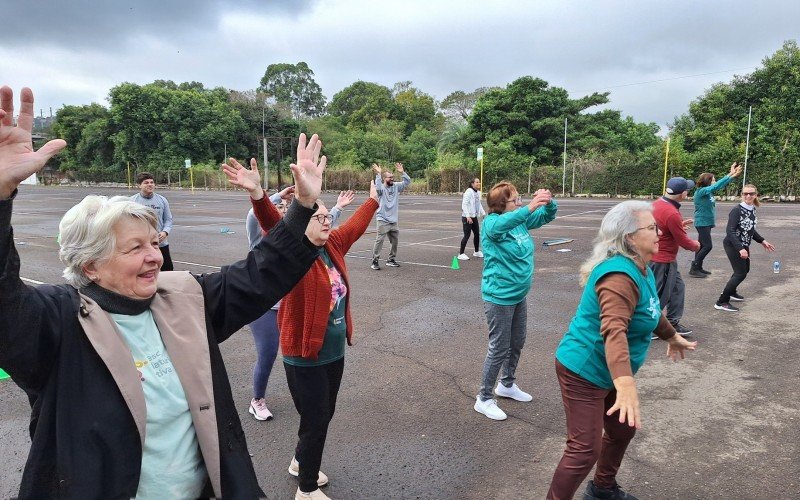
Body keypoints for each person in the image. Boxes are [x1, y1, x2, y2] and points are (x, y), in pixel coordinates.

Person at [0, 87, 326, 498]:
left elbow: (260, 273)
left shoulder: (184, 297)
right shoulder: (58, 323)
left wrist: (302, 206)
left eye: (154, 243)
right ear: (90, 265)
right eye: (135, 248)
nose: (154, 257)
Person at [547, 201, 697, 500]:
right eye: (651, 228)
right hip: (584, 369)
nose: (658, 232)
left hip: (609, 370)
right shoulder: (618, 276)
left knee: (622, 430)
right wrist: (625, 383)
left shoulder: (641, 268)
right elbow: (613, 330)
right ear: (630, 237)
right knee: (584, 449)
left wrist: (672, 337)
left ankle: (602, 489)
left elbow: (650, 312)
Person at [269, 180, 379, 500]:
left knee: (321, 415)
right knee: (316, 419)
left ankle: (300, 461)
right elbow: (267, 224)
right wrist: (260, 197)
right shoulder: (291, 256)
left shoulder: (332, 246)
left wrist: (372, 201)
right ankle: (306, 489)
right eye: (320, 218)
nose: (328, 221)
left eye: (328, 217)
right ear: (301, 225)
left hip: (333, 352)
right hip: (304, 355)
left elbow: (355, 227)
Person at [234, 164, 355, 422]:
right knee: (267, 352)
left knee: (298, 356)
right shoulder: (261, 231)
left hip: (288, 305)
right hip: (266, 306)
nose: (280, 211)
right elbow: (257, 214)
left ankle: (304, 397)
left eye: (284, 209)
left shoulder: (298, 237)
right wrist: (270, 195)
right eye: (277, 208)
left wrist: (336, 209)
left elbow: (320, 220)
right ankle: (257, 400)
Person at [473, 182, 557, 421]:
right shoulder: (492, 224)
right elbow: (505, 222)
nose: (520, 203)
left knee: (517, 341)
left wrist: (548, 203)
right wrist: (529, 207)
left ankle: (507, 384)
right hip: (499, 297)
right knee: (499, 347)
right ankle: (485, 398)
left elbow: (543, 217)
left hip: (519, 294)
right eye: (515, 200)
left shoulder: (519, 219)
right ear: (501, 205)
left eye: (520, 199)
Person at [649, 177, 701, 336]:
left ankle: (672, 322)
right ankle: (650, 328)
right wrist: (696, 245)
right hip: (662, 260)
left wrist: (680, 224)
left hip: (659, 257)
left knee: (678, 289)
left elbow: (664, 225)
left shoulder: (658, 203)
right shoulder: (672, 213)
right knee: (658, 295)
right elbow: (683, 241)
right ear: (683, 194)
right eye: (688, 190)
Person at [714, 184, 776, 312]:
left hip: (743, 244)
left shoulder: (752, 208)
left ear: (756, 195)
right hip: (734, 244)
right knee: (740, 273)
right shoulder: (737, 210)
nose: (748, 196)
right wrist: (740, 248)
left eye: (751, 194)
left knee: (744, 270)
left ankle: (731, 292)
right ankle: (721, 302)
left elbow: (750, 229)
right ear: (741, 195)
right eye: (745, 194)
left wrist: (762, 241)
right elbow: (730, 230)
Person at [689, 162, 743, 277]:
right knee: (708, 246)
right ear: (707, 180)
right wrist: (730, 173)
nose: (715, 181)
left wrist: (732, 176)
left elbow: (719, 185)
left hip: (706, 223)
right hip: (702, 223)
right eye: (713, 179)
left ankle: (698, 267)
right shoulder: (701, 191)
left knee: (702, 246)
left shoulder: (707, 192)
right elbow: (716, 186)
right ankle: (694, 268)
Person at [131, 171, 175, 271]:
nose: (150, 184)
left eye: (152, 182)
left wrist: (165, 232)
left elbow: (168, 219)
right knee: (144, 269)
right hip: (141, 244)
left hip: (160, 243)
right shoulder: (132, 202)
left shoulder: (162, 200)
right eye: (146, 182)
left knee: (168, 270)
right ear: (139, 185)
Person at [370, 162, 411, 270]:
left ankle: (391, 259)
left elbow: (407, 182)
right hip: (382, 219)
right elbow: (377, 187)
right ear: (384, 179)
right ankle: (375, 261)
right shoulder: (381, 189)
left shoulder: (396, 187)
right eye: (390, 177)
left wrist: (402, 172)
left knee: (395, 241)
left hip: (393, 220)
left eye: (393, 177)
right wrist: (378, 174)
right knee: (379, 240)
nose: (392, 179)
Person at [458, 177, 487, 260]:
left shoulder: (478, 193)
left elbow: (479, 204)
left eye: (479, 182)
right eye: (477, 182)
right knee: (467, 235)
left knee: (477, 234)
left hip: (474, 217)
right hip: (467, 217)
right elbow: (464, 204)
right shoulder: (468, 192)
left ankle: (476, 251)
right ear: (472, 184)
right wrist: (467, 216)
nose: (479, 183)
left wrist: (483, 213)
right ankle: (461, 253)